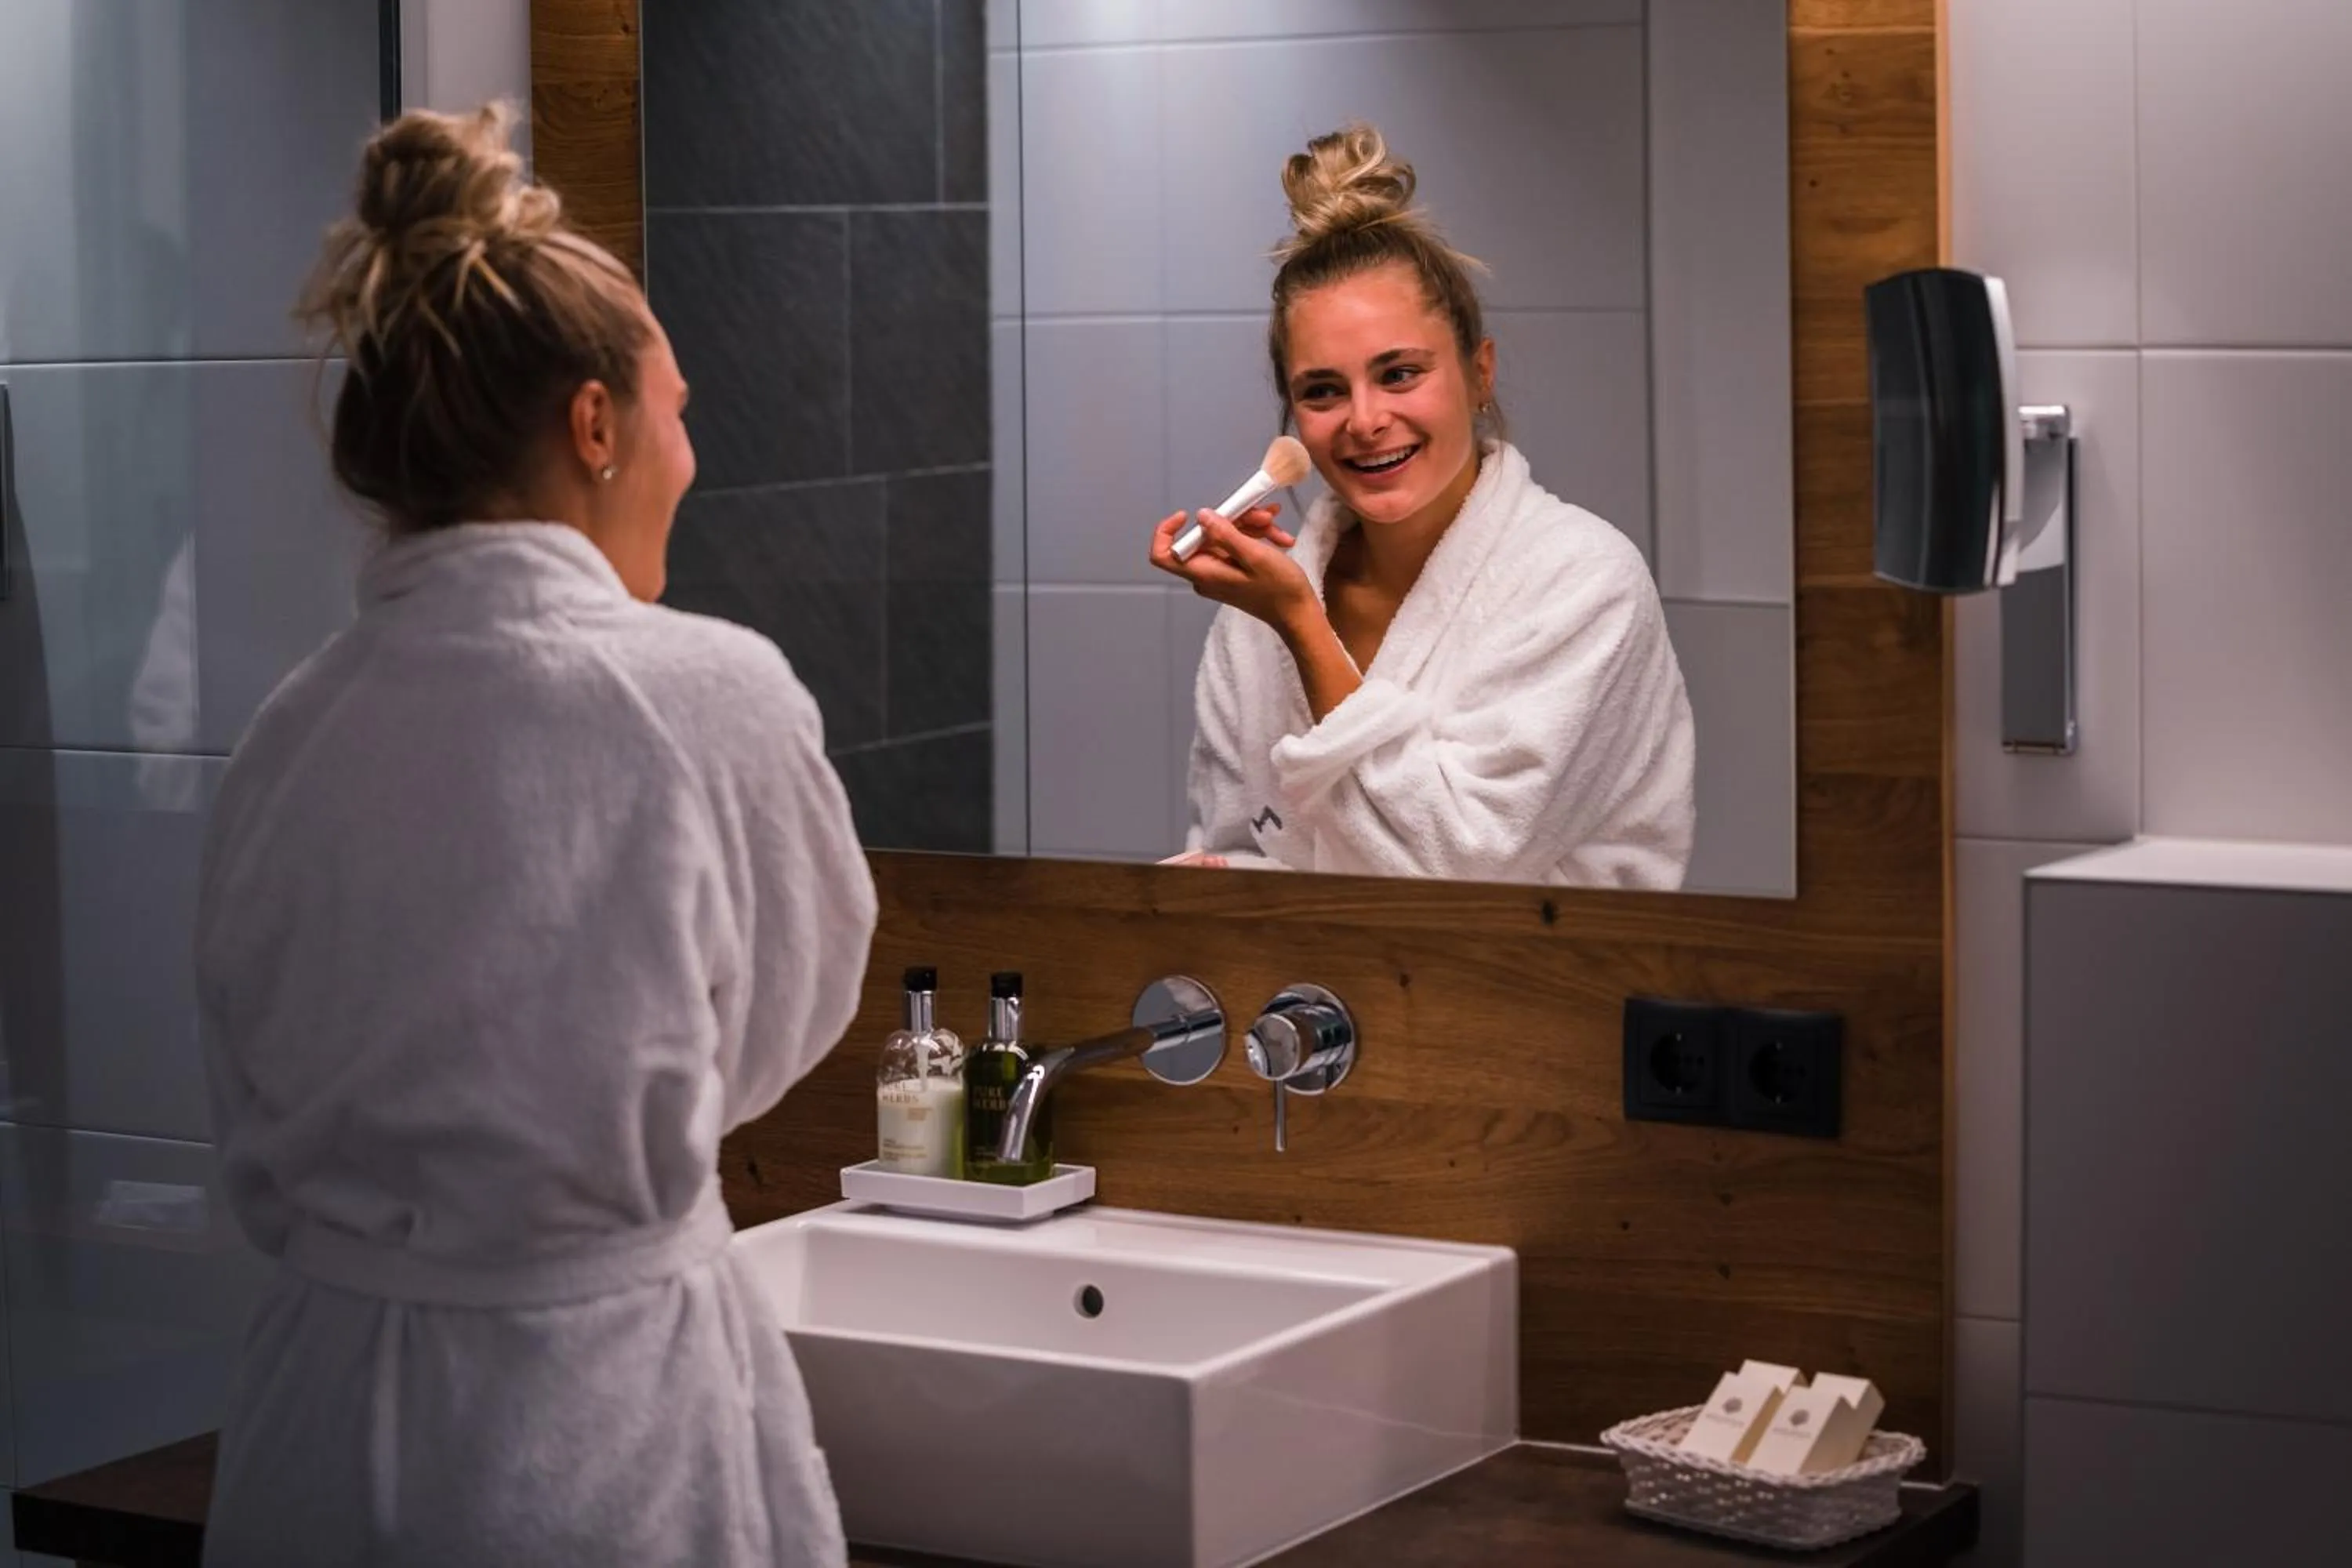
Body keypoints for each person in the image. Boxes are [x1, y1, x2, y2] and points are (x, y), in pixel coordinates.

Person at [194, 103, 874, 1566]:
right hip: (595, 1421)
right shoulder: (708, 695)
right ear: (594, 424)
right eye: (677, 410)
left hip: (312, 1412)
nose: (688, 455)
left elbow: (247, 1053)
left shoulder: (286, 735)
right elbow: (784, 1019)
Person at [1151, 124, 1695, 888]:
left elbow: (1459, 866)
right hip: (1306, 1001)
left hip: (1533, 999)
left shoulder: (1585, 581)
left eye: (1400, 373)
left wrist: (1303, 623)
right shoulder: (1254, 618)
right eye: (1323, 390)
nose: (1365, 419)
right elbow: (1238, 846)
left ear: (1480, 374)